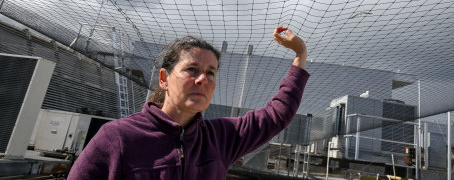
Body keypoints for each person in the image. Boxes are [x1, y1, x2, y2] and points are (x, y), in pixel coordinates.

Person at [67, 26, 309, 180]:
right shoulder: (118, 137)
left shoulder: (222, 138)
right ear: (164, 79)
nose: (203, 79)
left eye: (211, 72)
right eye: (192, 69)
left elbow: (278, 113)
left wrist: (300, 55)